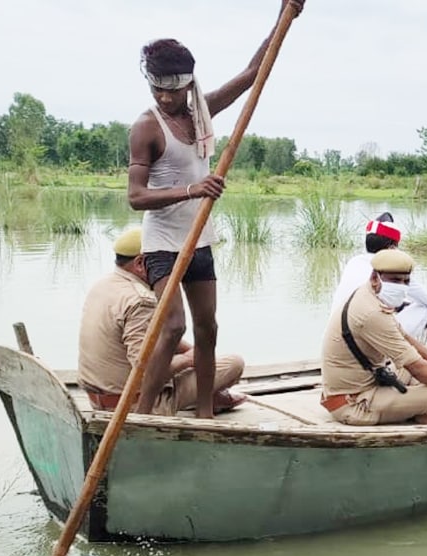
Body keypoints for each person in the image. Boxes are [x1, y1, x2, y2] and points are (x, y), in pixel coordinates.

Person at [127, 0, 305, 418]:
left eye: (173, 89)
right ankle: (142, 414)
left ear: (189, 84)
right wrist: (193, 189)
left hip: (199, 240)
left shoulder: (199, 113)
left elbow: (251, 74)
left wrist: (284, 18)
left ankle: (205, 414)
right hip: (163, 243)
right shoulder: (147, 126)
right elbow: (136, 197)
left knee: (208, 328)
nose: (165, 97)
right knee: (173, 326)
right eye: (157, 89)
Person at [78, 229, 247, 416]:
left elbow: (153, 337)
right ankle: (205, 400)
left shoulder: (102, 286)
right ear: (141, 263)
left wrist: (194, 352)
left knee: (198, 361)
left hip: (98, 398)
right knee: (234, 364)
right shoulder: (141, 301)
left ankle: (208, 395)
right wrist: (187, 360)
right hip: (132, 404)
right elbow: (145, 371)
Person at [321, 249, 427, 425]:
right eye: (395, 280)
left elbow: (406, 339)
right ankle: (418, 411)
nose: (401, 287)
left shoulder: (370, 294)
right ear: (375, 277)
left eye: (406, 281)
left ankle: (414, 408)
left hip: (370, 380)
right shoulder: (371, 313)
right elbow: (416, 367)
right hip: (353, 402)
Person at [328, 212, 427, 342]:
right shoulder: (392, 267)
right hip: (362, 339)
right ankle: (402, 350)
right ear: (391, 248)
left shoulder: (353, 262)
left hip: (336, 337)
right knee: (424, 310)